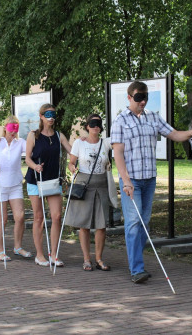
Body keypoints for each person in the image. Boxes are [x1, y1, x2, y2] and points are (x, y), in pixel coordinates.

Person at [110, 80, 192, 284]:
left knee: (144, 222)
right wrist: (126, 180)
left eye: (145, 97)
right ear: (129, 97)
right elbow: (117, 153)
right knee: (133, 223)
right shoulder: (120, 121)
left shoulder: (153, 118)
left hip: (150, 178)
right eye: (138, 97)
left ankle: (138, 263)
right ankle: (136, 268)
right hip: (132, 180)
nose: (143, 101)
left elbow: (174, 134)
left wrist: (191, 132)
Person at [25, 104, 72, 267]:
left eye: (53, 114)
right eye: (48, 114)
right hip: (35, 180)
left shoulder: (59, 135)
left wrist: (83, 146)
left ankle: (54, 253)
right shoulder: (33, 135)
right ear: (41, 116)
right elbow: (27, 158)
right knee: (39, 217)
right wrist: (34, 166)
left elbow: (72, 151)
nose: (51, 117)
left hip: (53, 180)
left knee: (56, 216)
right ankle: (39, 255)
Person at [66, 114, 112, 271]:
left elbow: (122, 141)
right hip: (84, 184)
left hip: (102, 185)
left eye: (98, 124)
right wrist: (72, 168)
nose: (95, 126)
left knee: (101, 224)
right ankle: (86, 259)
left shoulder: (106, 142)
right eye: (92, 124)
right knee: (84, 224)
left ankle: (99, 258)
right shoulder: (79, 143)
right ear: (87, 126)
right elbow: (71, 163)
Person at [0, 115, 32, 261]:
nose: (13, 131)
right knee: (3, 219)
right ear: (5, 127)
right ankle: (0, 250)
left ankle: (17, 247)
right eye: (11, 128)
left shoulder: (20, 143)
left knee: (20, 216)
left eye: (16, 128)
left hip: (15, 184)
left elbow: (32, 149)